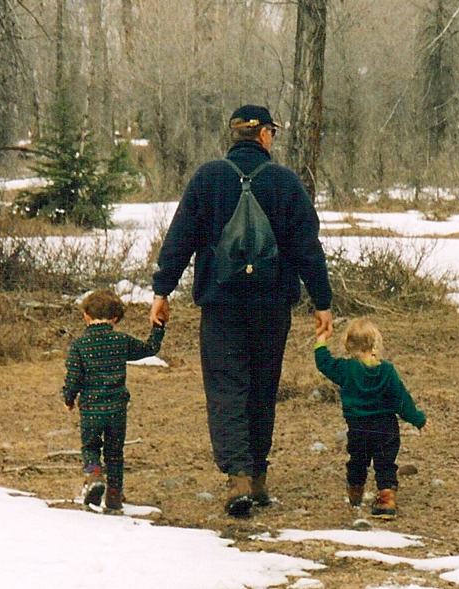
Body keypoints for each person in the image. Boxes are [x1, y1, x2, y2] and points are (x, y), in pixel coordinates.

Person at [150, 104, 333, 517]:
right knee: (263, 387)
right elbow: (308, 248)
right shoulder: (286, 182)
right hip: (272, 305)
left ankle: (238, 479)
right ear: (266, 135)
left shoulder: (208, 177)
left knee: (226, 387)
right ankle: (259, 475)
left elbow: (179, 237)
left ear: (235, 135)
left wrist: (162, 291)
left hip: (222, 304)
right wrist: (322, 302)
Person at [314, 318, 430, 519]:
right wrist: (418, 419)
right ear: (375, 343)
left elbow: (324, 363)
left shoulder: (346, 369)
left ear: (349, 344)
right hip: (386, 428)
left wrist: (321, 339)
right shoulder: (387, 371)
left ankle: (356, 490)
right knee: (385, 463)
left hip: (358, 427)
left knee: (358, 460)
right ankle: (387, 499)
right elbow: (401, 400)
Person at [63, 289, 165, 510]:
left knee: (90, 447)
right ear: (116, 318)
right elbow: (150, 348)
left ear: (86, 316)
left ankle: (95, 476)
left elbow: (73, 378)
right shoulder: (121, 341)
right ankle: (114, 496)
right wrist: (159, 325)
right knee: (115, 453)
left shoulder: (79, 345)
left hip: (91, 409)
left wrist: (68, 398)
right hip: (117, 409)